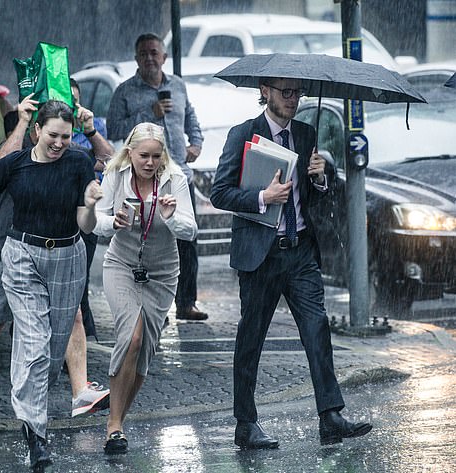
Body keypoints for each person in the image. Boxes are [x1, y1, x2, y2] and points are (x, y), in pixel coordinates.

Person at [210, 76, 373, 448]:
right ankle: (245, 424)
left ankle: (330, 416)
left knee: (317, 330)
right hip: (261, 255)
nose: (294, 99)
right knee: (251, 339)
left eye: (298, 92)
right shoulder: (242, 134)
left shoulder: (306, 133)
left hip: (300, 250)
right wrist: (263, 196)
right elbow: (220, 193)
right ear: (264, 92)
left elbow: (315, 193)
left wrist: (319, 178)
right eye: (286, 92)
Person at [0, 99, 103, 469]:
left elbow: (85, 226)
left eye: (66, 136)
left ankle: (33, 412)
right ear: (37, 131)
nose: (60, 142)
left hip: (68, 256)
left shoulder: (79, 162)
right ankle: (36, 434)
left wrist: (93, 204)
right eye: (53, 135)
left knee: (52, 351)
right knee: (34, 342)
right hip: (21, 255)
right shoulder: (13, 165)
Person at [94, 122, 197, 454]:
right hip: (121, 264)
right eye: (143, 156)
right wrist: (113, 221)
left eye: (156, 156)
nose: (150, 163)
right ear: (130, 153)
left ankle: (119, 421)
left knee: (145, 348)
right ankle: (113, 425)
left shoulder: (175, 179)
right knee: (132, 337)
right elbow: (96, 221)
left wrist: (170, 216)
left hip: (162, 272)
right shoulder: (116, 176)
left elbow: (190, 231)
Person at [106, 32, 207, 321]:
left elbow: (191, 120)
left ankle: (186, 302)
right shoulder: (125, 91)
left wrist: (196, 144)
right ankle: (150, 304)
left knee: (187, 239)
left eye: (154, 52)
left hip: (179, 174)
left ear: (163, 57)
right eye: (144, 53)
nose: (150, 58)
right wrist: (146, 114)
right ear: (137, 59)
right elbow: (114, 130)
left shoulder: (178, 85)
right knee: (147, 239)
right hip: (145, 177)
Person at [69, 77, 108, 340]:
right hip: (58, 213)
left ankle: (83, 331)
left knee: (80, 279)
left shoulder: (92, 126)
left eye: (74, 99)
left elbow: (109, 159)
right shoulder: (44, 131)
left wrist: (90, 130)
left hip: (88, 211)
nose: (71, 105)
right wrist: (87, 162)